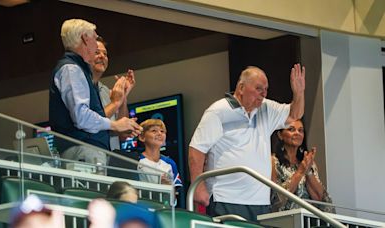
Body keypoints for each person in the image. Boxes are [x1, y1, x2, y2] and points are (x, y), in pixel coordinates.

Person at [189, 64, 305, 222]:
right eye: (258, 88)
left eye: (266, 89)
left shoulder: (267, 109)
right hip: (225, 198)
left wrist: (299, 93)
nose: (263, 94)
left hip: (260, 202)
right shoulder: (218, 111)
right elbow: (197, 149)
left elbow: (295, 114)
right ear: (241, 87)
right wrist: (198, 186)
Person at [49, 19, 142, 166]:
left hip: (89, 150)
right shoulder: (71, 69)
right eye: (94, 37)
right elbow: (81, 117)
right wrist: (115, 125)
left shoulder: (78, 70)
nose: (95, 41)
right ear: (85, 39)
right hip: (84, 150)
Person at [271, 119, 334, 212]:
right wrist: (300, 172)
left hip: (308, 219)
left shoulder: (308, 162)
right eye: (291, 129)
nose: (297, 133)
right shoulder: (273, 161)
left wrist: (308, 171)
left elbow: (320, 198)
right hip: (285, 219)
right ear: (280, 135)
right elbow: (277, 199)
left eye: (300, 130)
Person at [92, 36, 136, 151]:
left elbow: (122, 135)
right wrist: (116, 102)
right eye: (97, 52)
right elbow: (89, 123)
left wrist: (123, 97)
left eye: (105, 54)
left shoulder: (106, 91)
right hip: (91, 155)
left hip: (112, 158)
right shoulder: (82, 88)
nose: (102, 56)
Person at [137, 119, 182, 188]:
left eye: (162, 131)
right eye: (154, 131)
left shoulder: (170, 163)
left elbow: (175, 192)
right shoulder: (136, 161)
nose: (159, 133)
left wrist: (167, 187)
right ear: (142, 137)